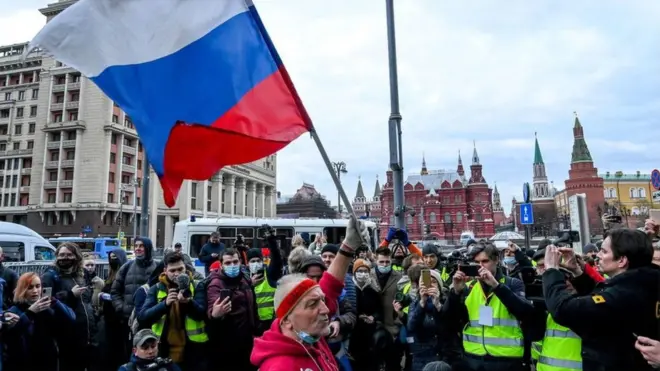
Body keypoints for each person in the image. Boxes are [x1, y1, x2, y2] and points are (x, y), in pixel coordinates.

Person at [250, 216, 369, 370]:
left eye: (321, 300)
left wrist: (348, 246)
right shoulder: (280, 366)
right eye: (313, 304)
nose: (326, 309)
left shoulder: (308, 336)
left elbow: (330, 286)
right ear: (286, 320)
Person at [543, 228, 660, 371]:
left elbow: (563, 309)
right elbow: (602, 302)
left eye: (604, 251)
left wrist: (551, 271)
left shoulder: (625, 294)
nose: (598, 255)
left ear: (622, 260)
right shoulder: (643, 283)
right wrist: (578, 273)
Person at [138, 252, 208, 370]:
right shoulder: (156, 289)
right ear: (165, 270)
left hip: (193, 349)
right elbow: (143, 317)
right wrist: (164, 304)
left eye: (180, 269)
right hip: (164, 348)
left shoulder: (197, 285)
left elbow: (203, 314)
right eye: (172, 270)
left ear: (185, 268)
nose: (177, 274)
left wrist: (188, 302)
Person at [4, 272, 74, 371]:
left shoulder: (48, 308)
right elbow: (12, 335)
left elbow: (70, 319)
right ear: (22, 289)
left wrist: (55, 302)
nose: (35, 291)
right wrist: (30, 312)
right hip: (24, 363)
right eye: (30, 287)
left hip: (48, 361)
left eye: (38, 286)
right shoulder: (15, 310)